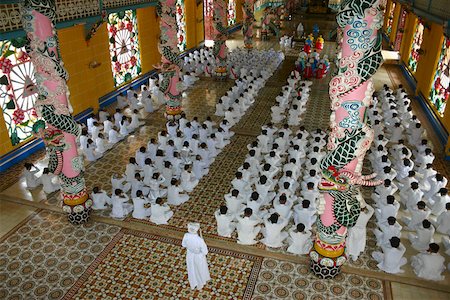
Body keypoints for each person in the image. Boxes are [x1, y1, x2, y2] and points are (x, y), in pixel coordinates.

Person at [182, 223, 211, 290]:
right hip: (199, 256)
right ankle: (201, 282)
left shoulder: (186, 235)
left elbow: (183, 245)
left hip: (189, 255)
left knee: (191, 269)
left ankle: (193, 282)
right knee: (200, 269)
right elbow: (205, 252)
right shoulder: (200, 240)